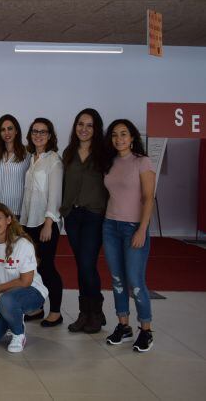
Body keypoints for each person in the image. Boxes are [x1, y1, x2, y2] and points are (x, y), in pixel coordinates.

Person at [103, 119, 156, 352]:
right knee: (117, 280)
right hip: (110, 226)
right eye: (114, 135)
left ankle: (146, 330)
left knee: (135, 281)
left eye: (124, 134)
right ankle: (124, 326)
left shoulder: (142, 162)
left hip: (133, 227)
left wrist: (142, 229)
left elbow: (148, 198)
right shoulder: (111, 162)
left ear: (132, 137)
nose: (119, 139)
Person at [0, 203, 49, 353]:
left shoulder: (22, 244)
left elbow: (25, 281)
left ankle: (18, 333)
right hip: (3, 297)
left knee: (8, 300)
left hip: (31, 293)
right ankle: (11, 317)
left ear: (8, 220)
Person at [61, 108, 108, 334]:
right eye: (80, 124)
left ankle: (96, 311)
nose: (84, 129)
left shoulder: (105, 154)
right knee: (81, 264)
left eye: (89, 125)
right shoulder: (68, 153)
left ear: (96, 129)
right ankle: (84, 313)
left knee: (88, 264)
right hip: (73, 216)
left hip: (94, 216)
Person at [20, 117, 64, 327]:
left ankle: (56, 311)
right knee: (33, 268)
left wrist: (48, 222)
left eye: (43, 131)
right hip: (28, 221)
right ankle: (37, 308)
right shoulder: (31, 158)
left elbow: (55, 195)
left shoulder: (53, 160)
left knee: (47, 267)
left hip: (45, 223)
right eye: (35, 131)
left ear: (50, 135)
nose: (38, 135)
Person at [0, 114, 29, 218]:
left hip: (17, 211)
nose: (6, 132)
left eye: (10, 129)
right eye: (3, 130)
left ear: (16, 131)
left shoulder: (27, 154)